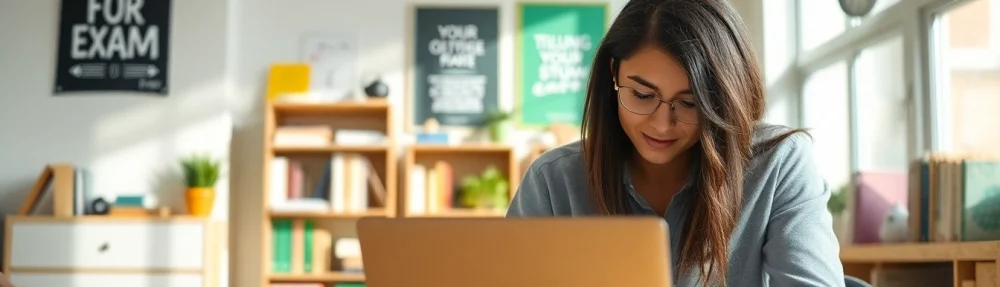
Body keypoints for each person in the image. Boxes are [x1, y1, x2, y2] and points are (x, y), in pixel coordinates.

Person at [505, 0, 845, 286]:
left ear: (724, 99)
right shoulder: (553, 181)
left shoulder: (778, 164)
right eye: (641, 94)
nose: (662, 123)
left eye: (690, 103)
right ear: (613, 74)